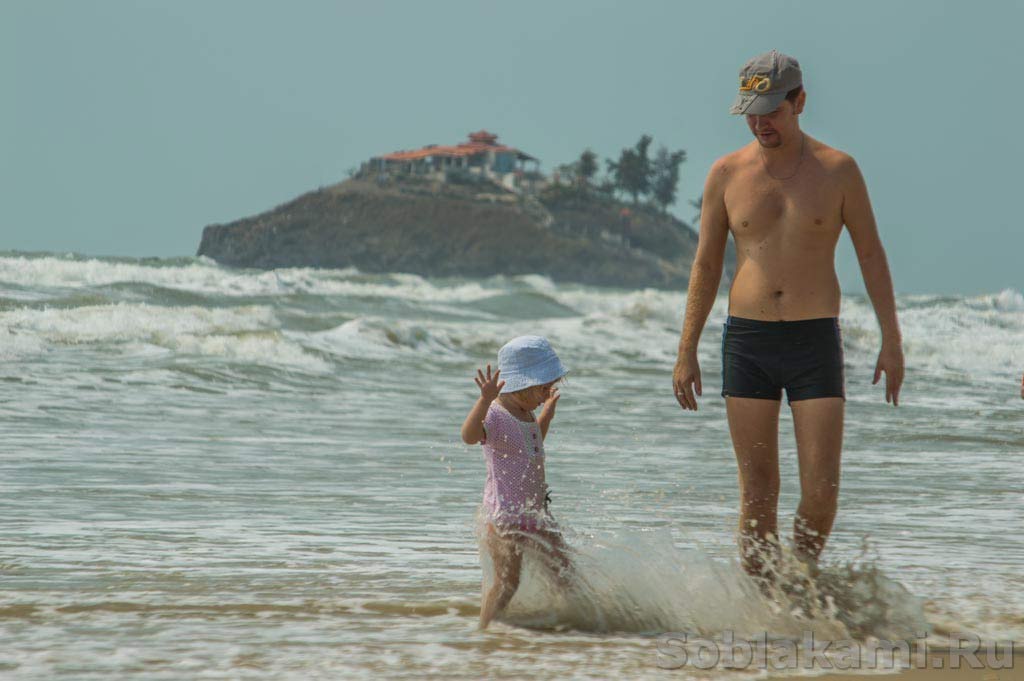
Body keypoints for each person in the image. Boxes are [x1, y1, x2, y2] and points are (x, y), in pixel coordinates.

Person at [672, 50, 904, 581]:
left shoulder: (839, 171)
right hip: (748, 342)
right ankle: (764, 607)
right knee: (758, 495)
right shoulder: (725, 174)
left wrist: (892, 341)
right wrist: (686, 350)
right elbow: (706, 265)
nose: (761, 122)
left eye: (772, 110)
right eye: (752, 111)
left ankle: (797, 584)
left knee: (821, 494)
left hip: (813, 343)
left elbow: (871, 254)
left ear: (800, 102)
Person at [460, 335, 574, 629]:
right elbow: (470, 436)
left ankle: (571, 625)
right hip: (505, 519)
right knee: (507, 581)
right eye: (544, 387)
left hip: (535, 515)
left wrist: (546, 415)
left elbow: (530, 447)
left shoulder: (527, 413)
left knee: (565, 571)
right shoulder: (496, 414)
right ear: (523, 382)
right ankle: (484, 631)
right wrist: (483, 400)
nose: (548, 392)